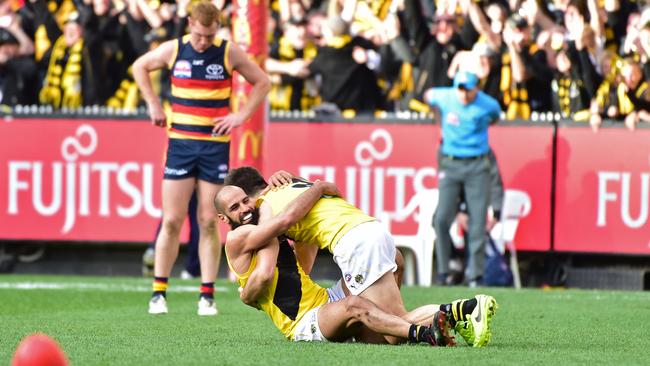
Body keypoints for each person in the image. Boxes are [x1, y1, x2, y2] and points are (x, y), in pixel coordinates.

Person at [217, 167, 498, 347]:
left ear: (254, 194)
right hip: (371, 231)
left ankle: (463, 310)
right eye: (236, 206)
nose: (245, 208)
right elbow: (289, 255)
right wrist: (318, 185)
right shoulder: (286, 194)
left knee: (393, 326)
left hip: (353, 248)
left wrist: (248, 295)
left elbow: (272, 264)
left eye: (245, 200)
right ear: (223, 217)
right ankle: (439, 321)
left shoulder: (266, 211)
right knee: (384, 332)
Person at [132, 0, 271, 316]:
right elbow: (140, 65)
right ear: (190, 25)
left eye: (209, 36)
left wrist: (241, 116)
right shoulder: (174, 49)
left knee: (209, 220)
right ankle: (158, 293)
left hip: (213, 146)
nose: (204, 42)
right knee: (171, 219)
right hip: (180, 143)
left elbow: (263, 82)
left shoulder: (227, 51)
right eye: (199, 36)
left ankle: (206, 295)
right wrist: (153, 104)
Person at [424, 71, 501, 288]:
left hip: (477, 164)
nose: (464, 95)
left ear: (477, 88)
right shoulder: (446, 96)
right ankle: (444, 271)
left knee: (477, 222)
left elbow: (495, 116)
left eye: (468, 90)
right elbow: (428, 95)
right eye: (460, 89)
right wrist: (438, 119)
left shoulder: (488, 103)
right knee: (441, 218)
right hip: (450, 162)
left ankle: (475, 275)